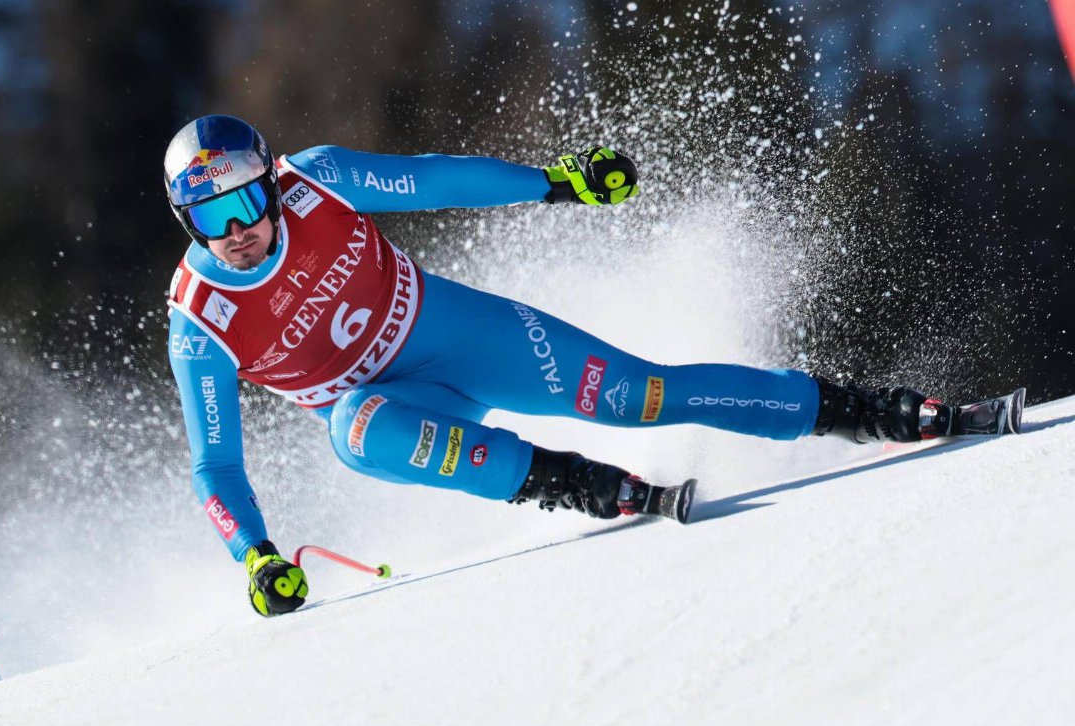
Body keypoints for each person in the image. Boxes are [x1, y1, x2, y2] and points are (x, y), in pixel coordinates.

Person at [163, 115, 993, 617]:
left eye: (243, 204)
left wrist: (556, 184)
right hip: (397, 407)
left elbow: (429, 181)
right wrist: (258, 558)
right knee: (355, 428)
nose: (234, 232)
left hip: (456, 334)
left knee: (643, 394)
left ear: (270, 185)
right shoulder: (200, 321)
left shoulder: (319, 182)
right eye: (207, 220)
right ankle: (577, 485)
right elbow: (214, 460)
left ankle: (873, 412)